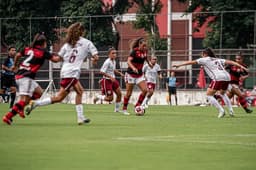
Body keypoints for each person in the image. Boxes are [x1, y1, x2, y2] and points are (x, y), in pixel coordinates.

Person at [25, 22, 99, 125]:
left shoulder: (67, 45)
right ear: (82, 31)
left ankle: (81, 118)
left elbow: (57, 59)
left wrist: (44, 54)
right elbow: (96, 56)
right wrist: (94, 60)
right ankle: (36, 103)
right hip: (72, 73)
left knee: (80, 92)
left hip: (65, 72)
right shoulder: (87, 43)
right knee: (59, 98)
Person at [2, 33, 61, 125]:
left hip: (20, 76)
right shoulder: (43, 52)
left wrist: (15, 65)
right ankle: (8, 116)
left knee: (39, 93)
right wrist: (64, 54)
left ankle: (20, 107)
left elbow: (17, 55)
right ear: (43, 43)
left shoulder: (27, 49)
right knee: (24, 100)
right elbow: (56, 59)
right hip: (26, 77)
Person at [173, 48, 248, 118]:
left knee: (209, 95)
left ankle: (221, 110)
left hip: (218, 77)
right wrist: (242, 67)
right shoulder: (217, 59)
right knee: (222, 93)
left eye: (202, 54)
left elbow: (192, 62)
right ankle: (231, 111)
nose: (202, 55)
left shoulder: (205, 59)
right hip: (227, 77)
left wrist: (179, 65)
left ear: (205, 54)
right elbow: (231, 62)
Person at [122, 37, 151, 115]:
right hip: (130, 74)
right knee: (129, 93)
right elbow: (128, 61)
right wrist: (133, 68)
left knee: (145, 90)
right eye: (143, 46)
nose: (145, 47)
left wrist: (149, 63)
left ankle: (138, 105)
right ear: (139, 45)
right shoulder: (134, 51)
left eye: (146, 46)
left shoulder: (145, 51)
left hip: (139, 75)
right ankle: (124, 109)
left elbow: (145, 58)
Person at [93, 47, 124, 112]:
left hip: (113, 80)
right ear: (109, 54)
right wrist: (110, 77)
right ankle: (98, 96)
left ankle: (117, 110)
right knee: (110, 99)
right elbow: (101, 71)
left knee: (119, 94)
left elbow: (113, 69)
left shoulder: (114, 61)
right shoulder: (107, 62)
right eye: (113, 53)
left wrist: (119, 73)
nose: (115, 54)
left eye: (115, 53)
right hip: (107, 81)